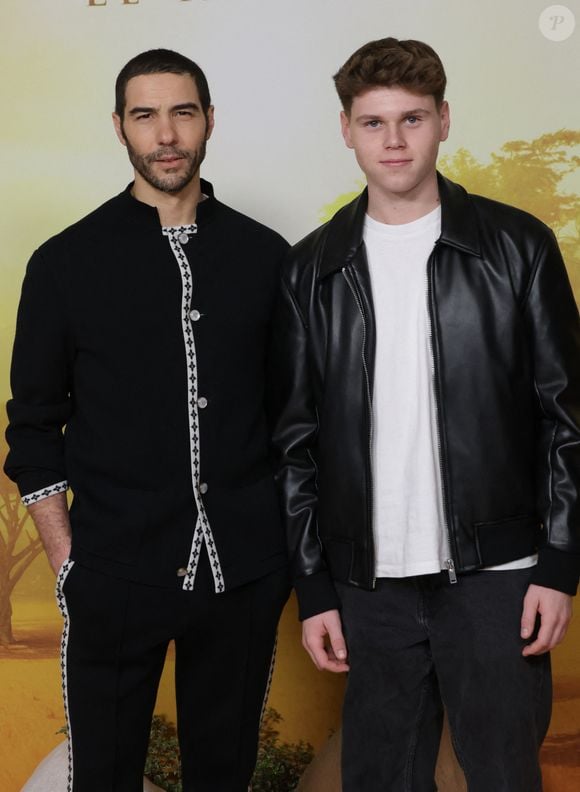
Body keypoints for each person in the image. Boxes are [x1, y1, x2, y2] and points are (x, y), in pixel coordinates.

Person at [271, 37, 580, 792]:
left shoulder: (518, 247)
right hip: (368, 585)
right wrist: (314, 588)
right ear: (346, 130)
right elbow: (295, 440)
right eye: (373, 123)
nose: (394, 140)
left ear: (444, 120)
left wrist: (560, 565)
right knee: (379, 779)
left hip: (499, 575)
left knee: (505, 775)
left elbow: (566, 416)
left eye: (412, 118)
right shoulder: (312, 269)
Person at [5, 48, 289, 792]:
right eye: (145, 115)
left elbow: (296, 420)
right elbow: (33, 430)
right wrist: (68, 560)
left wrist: (284, 554)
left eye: (182, 112)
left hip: (244, 576)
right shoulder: (64, 263)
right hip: (112, 572)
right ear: (120, 127)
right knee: (102, 776)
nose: (166, 134)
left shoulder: (266, 257)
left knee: (223, 776)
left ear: (209, 122)